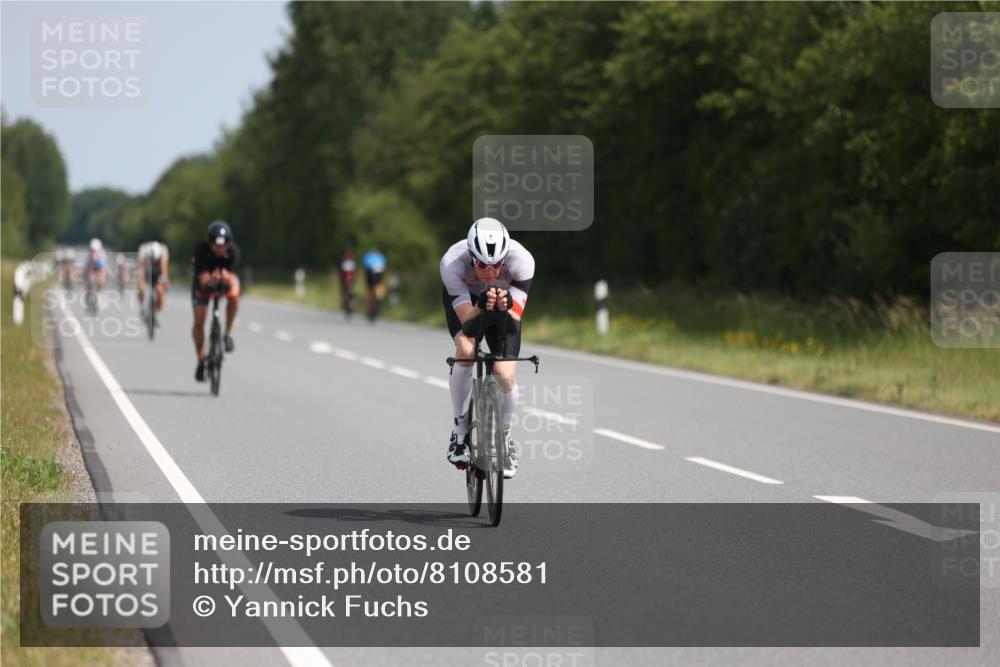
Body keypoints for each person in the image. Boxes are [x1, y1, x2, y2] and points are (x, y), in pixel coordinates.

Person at [440, 218, 534, 479]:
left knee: (505, 374)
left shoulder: (522, 261)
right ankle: (459, 433)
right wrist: (481, 306)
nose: (489, 272)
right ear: (471, 256)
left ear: (505, 259)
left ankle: (504, 438)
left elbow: (512, 326)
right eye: (482, 265)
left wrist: (503, 306)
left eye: (496, 266)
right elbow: (467, 324)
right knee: (466, 351)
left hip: (503, 305)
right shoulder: (452, 263)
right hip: (469, 305)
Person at [191, 221, 241, 382]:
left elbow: (232, 279)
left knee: (234, 295)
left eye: (224, 245)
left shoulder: (233, 252)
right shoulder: (201, 250)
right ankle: (201, 359)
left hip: (224, 282)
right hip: (205, 282)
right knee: (199, 321)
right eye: (216, 246)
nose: (220, 249)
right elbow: (204, 281)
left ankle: (227, 332)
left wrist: (226, 279)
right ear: (210, 243)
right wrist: (212, 280)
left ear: (229, 243)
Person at [137, 241, 171, 320]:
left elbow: (164, 269)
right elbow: (140, 270)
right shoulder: (143, 251)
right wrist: (141, 283)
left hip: (157, 273)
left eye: (156, 261)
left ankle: (158, 313)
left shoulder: (163, 252)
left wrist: (166, 281)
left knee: (160, 290)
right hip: (146, 272)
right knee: (141, 289)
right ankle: (142, 307)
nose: (154, 262)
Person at [362, 248, 387, 320]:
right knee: (379, 286)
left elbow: (365, 266)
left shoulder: (368, 256)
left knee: (369, 289)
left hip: (370, 274)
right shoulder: (381, 257)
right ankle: (379, 299)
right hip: (379, 274)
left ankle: (368, 306)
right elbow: (384, 265)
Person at [339, 250, 357, 318]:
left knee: (347, 292)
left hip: (346, 280)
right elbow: (354, 273)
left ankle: (348, 304)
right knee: (350, 293)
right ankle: (351, 304)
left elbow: (341, 273)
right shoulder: (352, 262)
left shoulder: (344, 262)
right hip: (349, 280)